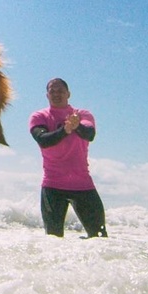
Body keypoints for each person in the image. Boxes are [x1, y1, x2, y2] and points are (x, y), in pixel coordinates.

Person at [29, 78, 108, 238]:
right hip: (53, 187)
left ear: (68, 94)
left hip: (83, 185)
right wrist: (65, 130)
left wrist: (76, 125)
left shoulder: (83, 115)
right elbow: (44, 140)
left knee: (100, 237)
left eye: (60, 91)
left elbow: (89, 134)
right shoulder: (39, 116)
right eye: (52, 91)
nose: (56, 94)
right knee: (53, 240)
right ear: (47, 95)